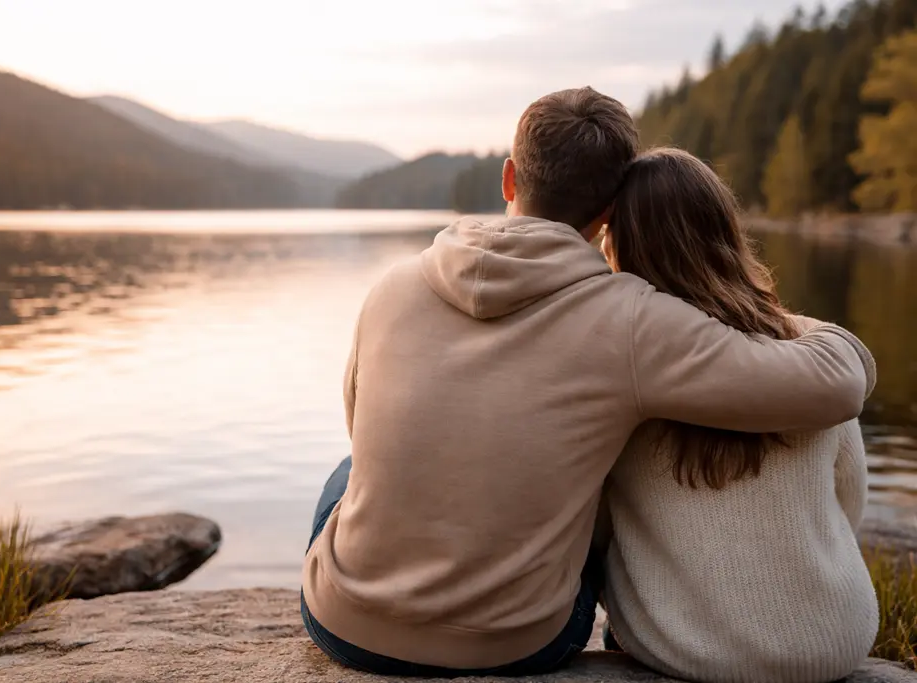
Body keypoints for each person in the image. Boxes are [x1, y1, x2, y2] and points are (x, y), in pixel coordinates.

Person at [301, 87, 876, 677]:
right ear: (610, 209)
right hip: (517, 645)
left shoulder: (392, 287)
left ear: (508, 178)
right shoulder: (633, 319)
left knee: (348, 472)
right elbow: (834, 385)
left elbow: (361, 425)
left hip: (345, 625)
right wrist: (794, 325)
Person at [595, 147, 878, 683]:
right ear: (727, 229)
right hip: (834, 642)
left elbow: (601, 530)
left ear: (621, 243)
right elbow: (849, 499)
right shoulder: (806, 356)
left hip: (685, 650)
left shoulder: (624, 365)